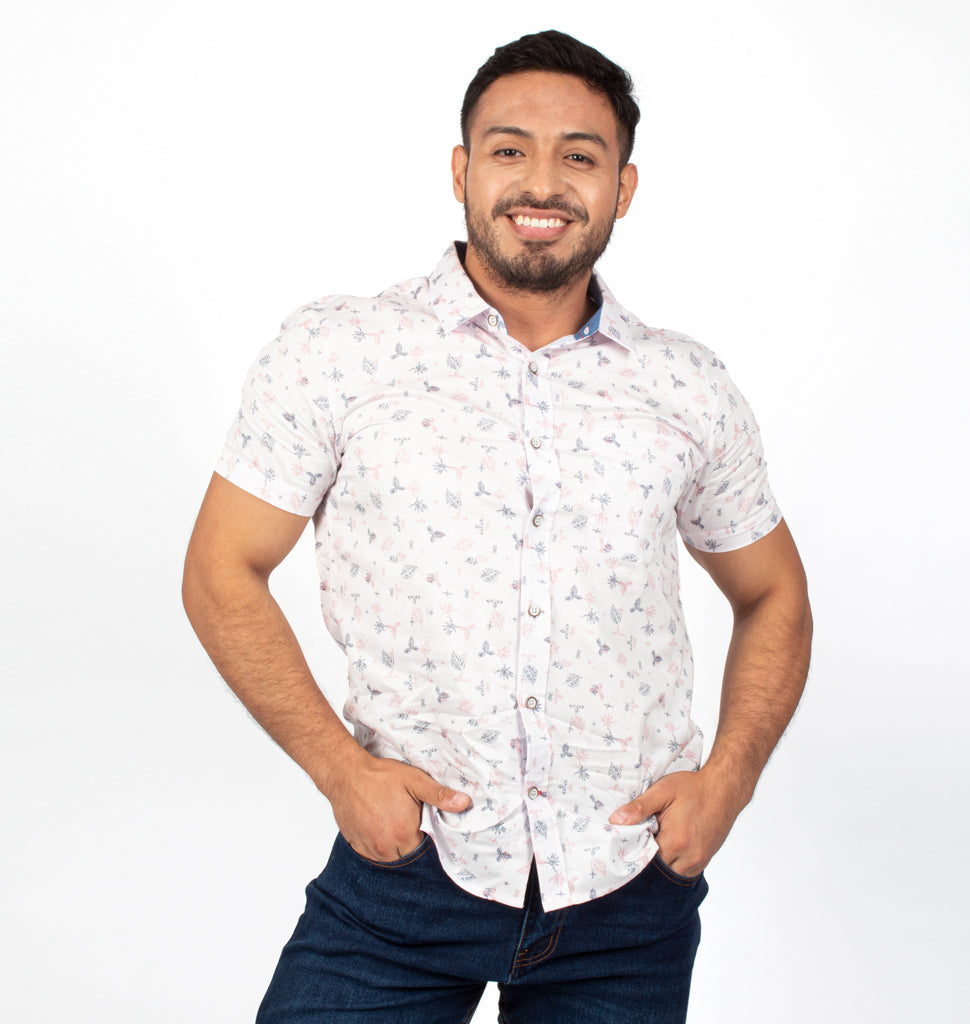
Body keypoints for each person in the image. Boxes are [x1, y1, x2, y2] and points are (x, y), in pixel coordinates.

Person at [183, 28, 812, 1024]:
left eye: (580, 156)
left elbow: (773, 591)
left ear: (623, 187)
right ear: (461, 170)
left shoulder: (686, 385)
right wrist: (341, 773)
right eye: (510, 149)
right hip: (404, 873)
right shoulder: (340, 350)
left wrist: (726, 784)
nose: (542, 183)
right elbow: (221, 569)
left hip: (627, 895)